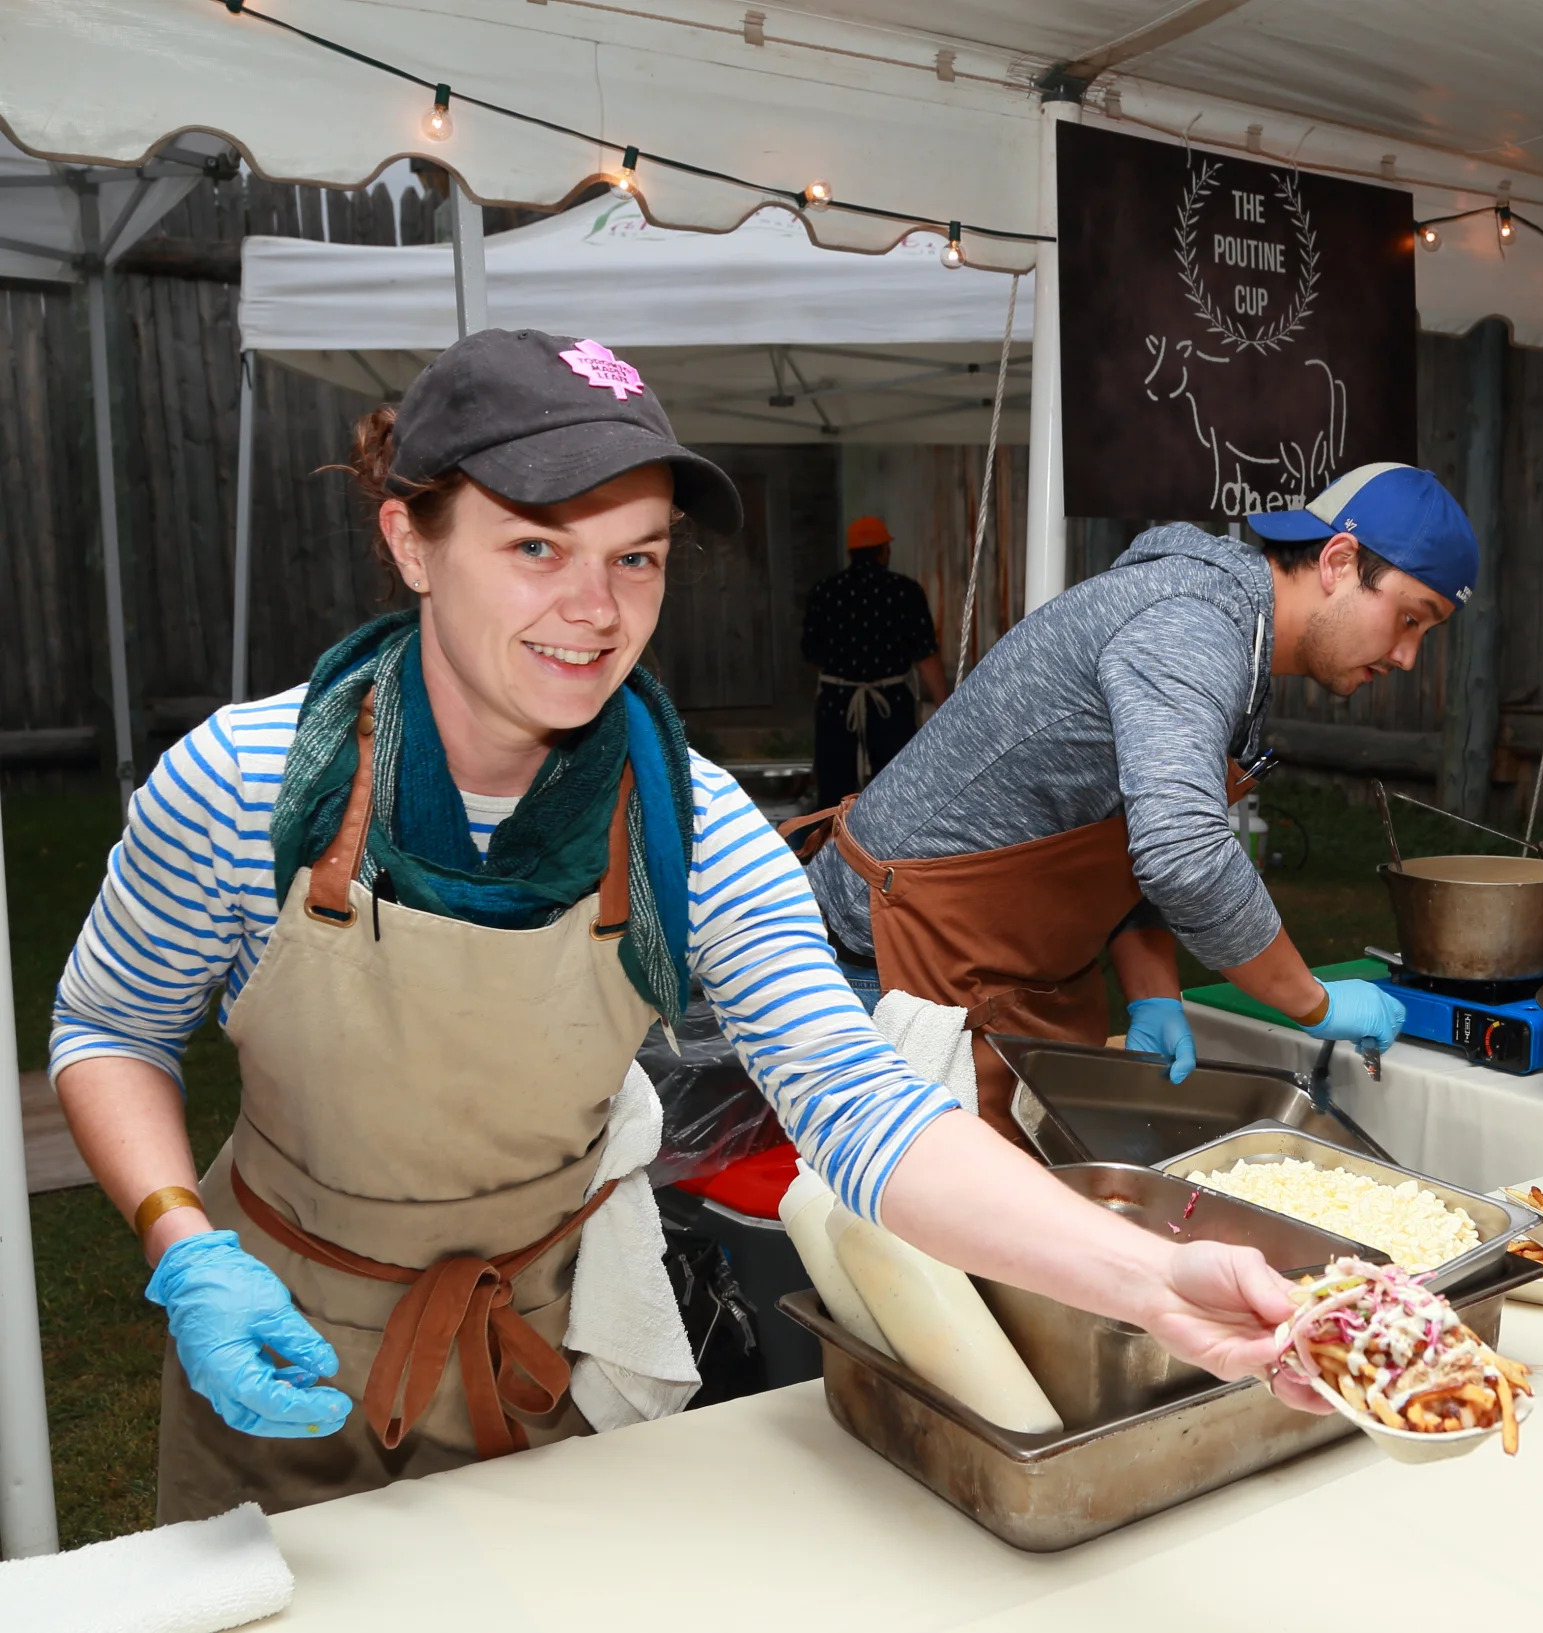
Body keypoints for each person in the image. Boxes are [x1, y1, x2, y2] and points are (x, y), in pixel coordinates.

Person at [48, 329, 1316, 1523]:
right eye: (537, 547)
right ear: (411, 540)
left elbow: (865, 1110)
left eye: (636, 556)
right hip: (265, 1335)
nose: (596, 610)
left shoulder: (691, 827)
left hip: (527, 1352)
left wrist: (1154, 1279)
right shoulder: (246, 782)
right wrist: (180, 1240)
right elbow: (108, 1024)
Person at [800, 463, 1476, 1136]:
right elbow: (1182, 851)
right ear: (1338, 559)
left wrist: (1153, 991)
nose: (1409, 656)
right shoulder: (1192, 626)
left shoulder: (1232, 632)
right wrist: (1313, 1001)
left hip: (979, 960)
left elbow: (1121, 826)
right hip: (883, 964)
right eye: (1410, 617)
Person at [800, 515, 948, 809]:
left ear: (850, 553)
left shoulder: (824, 592)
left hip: (838, 706)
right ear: (884, 551)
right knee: (897, 789)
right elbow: (925, 657)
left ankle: (832, 849)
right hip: (890, 706)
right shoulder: (905, 592)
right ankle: (895, 851)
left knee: (834, 792)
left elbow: (812, 656)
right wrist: (947, 709)